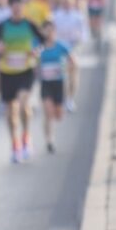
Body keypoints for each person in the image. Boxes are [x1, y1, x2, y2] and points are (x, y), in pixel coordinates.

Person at [0, 0, 43, 163]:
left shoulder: (29, 24)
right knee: (10, 111)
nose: (16, 7)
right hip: (7, 72)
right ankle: (15, 144)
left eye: (19, 4)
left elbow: (42, 41)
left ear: (23, 6)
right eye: (13, 5)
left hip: (25, 70)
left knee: (23, 105)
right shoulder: (2, 26)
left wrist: (36, 51)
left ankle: (26, 137)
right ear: (10, 7)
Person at [36, 19, 76, 154]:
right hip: (46, 83)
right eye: (45, 30)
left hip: (59, 82)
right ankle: (49, 140)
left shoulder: (60, 45)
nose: (48, 33)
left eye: (50, 30)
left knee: (58, 115)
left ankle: (58, 114)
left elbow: (72, 60)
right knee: (48, 113)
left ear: (54, 31)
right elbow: (33, 60)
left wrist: (70, 71)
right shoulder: (39, 46)